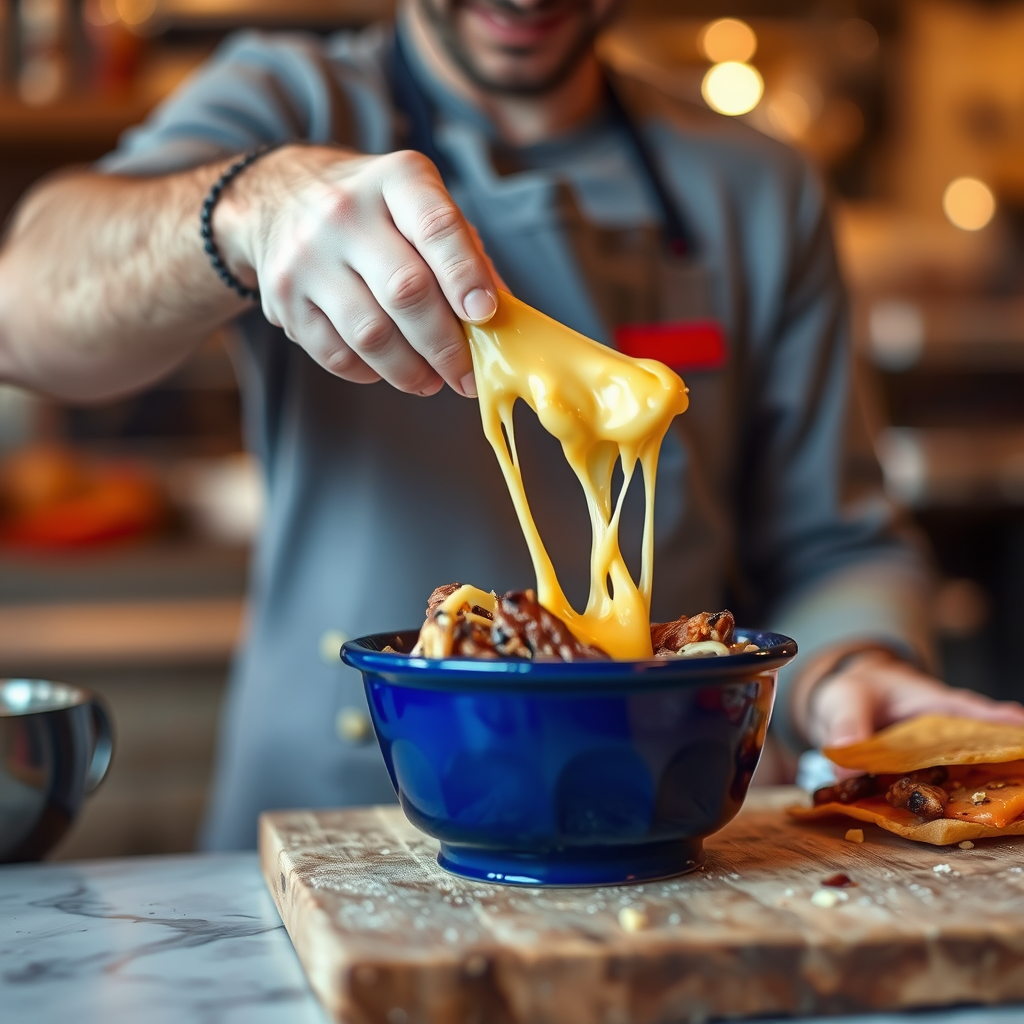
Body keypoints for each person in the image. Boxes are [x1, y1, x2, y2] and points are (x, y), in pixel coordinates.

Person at [0, 0, 1020, 848]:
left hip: (661, 824)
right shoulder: (289, 99)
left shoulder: (753, 185)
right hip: (334, 811)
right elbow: (26, 309)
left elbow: (831, 541)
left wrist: (851, 667)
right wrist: (243, 212)